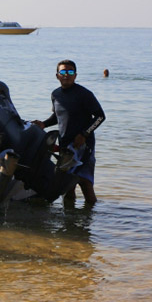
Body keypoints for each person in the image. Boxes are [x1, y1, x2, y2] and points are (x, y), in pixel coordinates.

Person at [31, 59, 106, 205]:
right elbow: (57, 116)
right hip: (64, 145)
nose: (67, 75)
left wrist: (84, 134)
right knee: (67, 186)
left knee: (85, 183)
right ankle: (69, 223)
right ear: (57, 75)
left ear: (75, 75)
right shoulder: (55, 95)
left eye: (70, 72)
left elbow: (100, 117)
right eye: (63, 72)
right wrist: (43, 124)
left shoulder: (84, 94)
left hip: (83, 146)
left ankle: (89, 222)